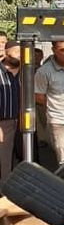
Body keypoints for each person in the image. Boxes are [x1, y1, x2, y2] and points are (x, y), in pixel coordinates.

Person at [0, 50, 18, 181]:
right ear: (7, 52)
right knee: (4, 159)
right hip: (4, 122)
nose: (20, 54)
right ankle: (4, 191)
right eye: (16, 51)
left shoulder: (28, 72)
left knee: (27, 156)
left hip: (25, 122)